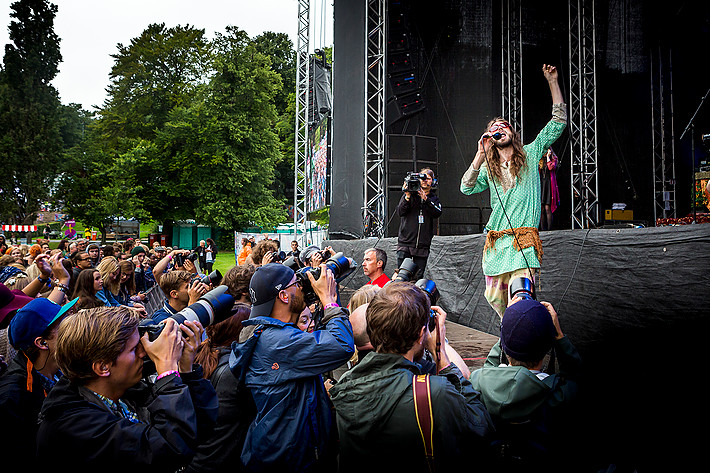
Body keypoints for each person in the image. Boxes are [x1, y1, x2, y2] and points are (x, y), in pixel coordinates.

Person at [329, 282, 493, 471]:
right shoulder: (433, 394)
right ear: (421, 334)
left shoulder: (345, 386)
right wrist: (442, 359)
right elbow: (482, 428)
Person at [36, 306, 218, 472]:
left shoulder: (123, 390)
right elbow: (172, 450)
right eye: (133, 349)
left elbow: (196, 430)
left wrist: (186, 370)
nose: (143, 352)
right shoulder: (72, 427)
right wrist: (168, 370)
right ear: (103, 367)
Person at [460, 64, 567, 317]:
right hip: (497, 245)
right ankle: (512, 341)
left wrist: (552, 81)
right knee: (498, 302)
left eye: (504, 125)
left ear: (512, 132)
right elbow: (466, 188)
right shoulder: (488, 167)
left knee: (520, 300)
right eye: (495, 127)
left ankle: (520, 342)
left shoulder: (531, 153)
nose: (500, 128)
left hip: (523, 243)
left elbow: (558, 122)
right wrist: (479, 155)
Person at [229, 263, 355, 471]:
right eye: (296, 284)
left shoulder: (268, 333)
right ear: (284, 296)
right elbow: (340, 345)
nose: (301, 288)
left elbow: (320, 340)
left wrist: (327, 298)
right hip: (292, 458)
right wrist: (329, 302)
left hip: (280, 447)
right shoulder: (277, 342)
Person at [470, 298, 582, 468]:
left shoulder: (478, 382)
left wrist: (509, 326)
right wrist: (559, 336)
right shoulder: (560, 396)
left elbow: (489, 370)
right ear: (548, 344)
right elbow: (576, 376)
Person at [0, 297, 78, 467]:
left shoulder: (64, 365)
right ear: (42, 343)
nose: (73, 327)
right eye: (64, 325)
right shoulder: (12, 398)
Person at [187, 302, 255, 472]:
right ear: (240, 334)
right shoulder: (235, 372)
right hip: (219, 462)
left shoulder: (198, 356)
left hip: (199, 459)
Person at [396, 167, 442, 279]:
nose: (425, 180)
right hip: (405, 242)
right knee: (402, 276)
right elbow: (400, 212)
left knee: (417, 277)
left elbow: (437, 213)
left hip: (422, 244)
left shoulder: (433, 198)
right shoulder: (410, 195)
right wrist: (407, 196)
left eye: (428, 178)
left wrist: (426, 199)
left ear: (433, 181)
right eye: (423, 178)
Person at [539, 147, 560, 231]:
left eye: (548, 149)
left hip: (549, 185)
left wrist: (548, 157)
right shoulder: (539, 160)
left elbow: (551, 167)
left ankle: (549, 229)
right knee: (541, 208)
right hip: (541, 184)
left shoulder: (553, 159)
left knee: (548, 207)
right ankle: (542, 229)